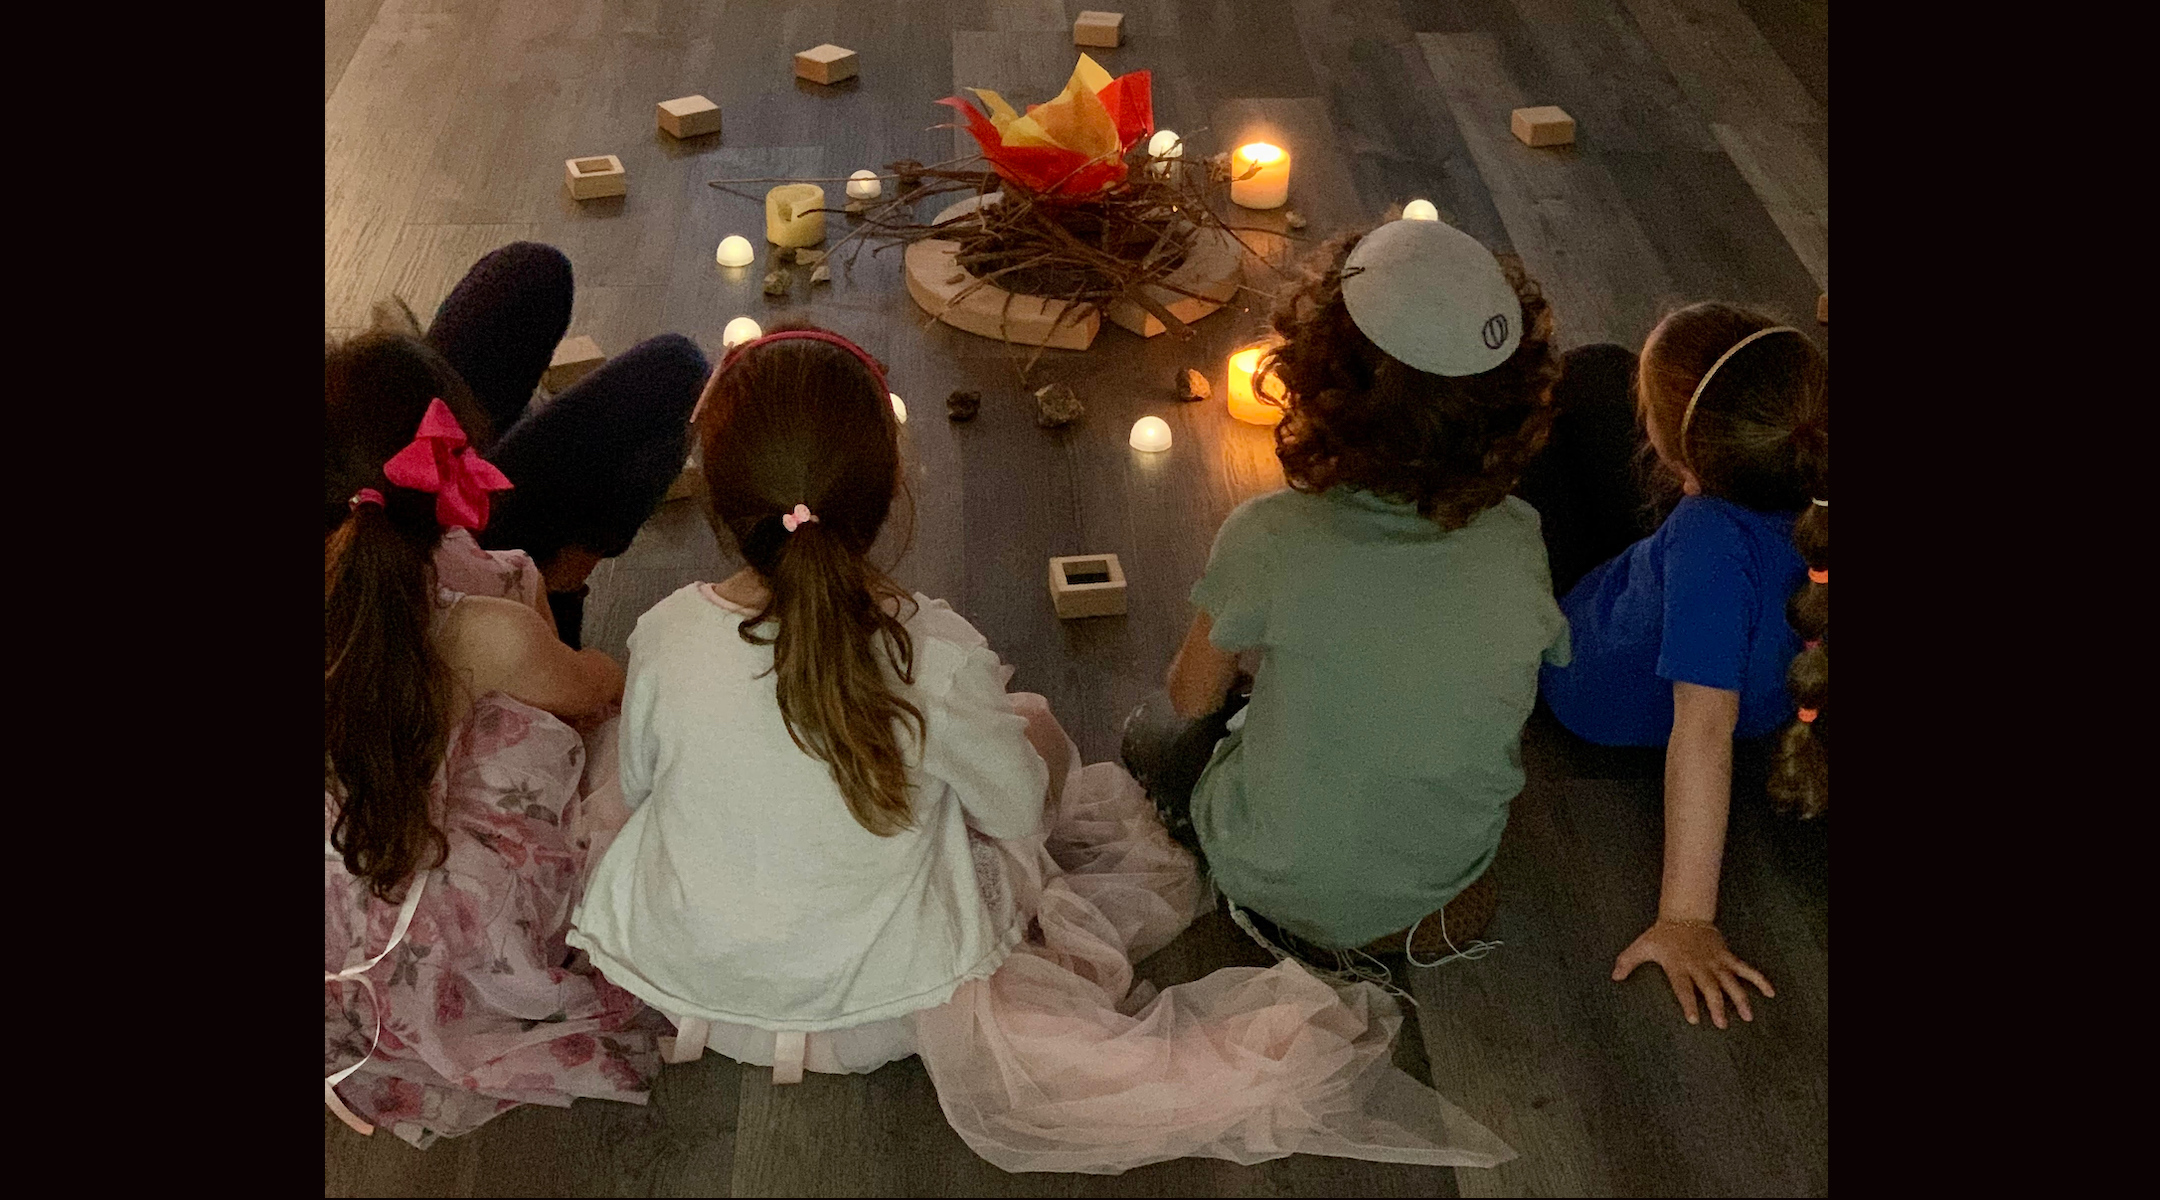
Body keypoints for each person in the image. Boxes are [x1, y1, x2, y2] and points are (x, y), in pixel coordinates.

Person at [569, 322, 1518, 1175]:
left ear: (719, 501)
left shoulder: (663, 633)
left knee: (660, 759)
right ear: (890, 487)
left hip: (687, 983)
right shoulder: (929, 649)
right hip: (887, 1009)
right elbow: (1021, 814)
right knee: (1023, 732)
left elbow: (645, 787)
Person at [1122, 219, 1572, 977]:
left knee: (1160, 737)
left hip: (1281, 877)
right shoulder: (1519, 534)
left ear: (1314, 378)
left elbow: (1190, 693)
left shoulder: (1268, 533)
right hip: (1442, 875)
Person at [324, 369, 666, 1146]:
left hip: (337, 899)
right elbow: (593, 691)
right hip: (434, 919)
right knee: (626, 742)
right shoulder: (484, 627)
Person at [1521, 300, 1827, 1029]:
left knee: (1578, 385)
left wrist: (1687, 918)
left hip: (1581, 675)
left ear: (1688, 472)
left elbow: (1702, 727)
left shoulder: (1705, 536)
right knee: (1600, 370)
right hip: (1732, 646)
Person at [328, 241, 711, 645]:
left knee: (531, 274)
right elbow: (597, 692)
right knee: (674, 373)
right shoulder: (484, 622)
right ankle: (556, 582)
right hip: (436, 574)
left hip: (362, 499)